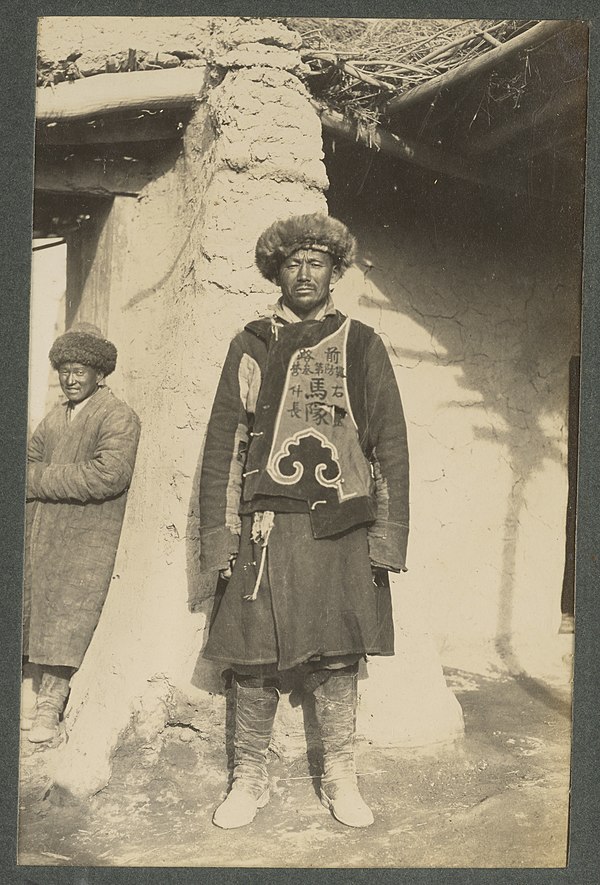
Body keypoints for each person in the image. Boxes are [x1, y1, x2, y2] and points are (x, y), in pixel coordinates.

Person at [199, 213, 409, 829]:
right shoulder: (252, 342)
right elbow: (225, 442)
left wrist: (386, 535)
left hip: (339, 525)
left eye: (317, 261)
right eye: (293, 262)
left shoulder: (363, 342)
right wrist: (223, 533)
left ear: (335, 271)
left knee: (340, 653)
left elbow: (388, 444)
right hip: (265, 524)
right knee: (252, 653)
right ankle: (249, 776)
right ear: (276, 272)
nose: (305, 273)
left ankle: (341, 774)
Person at [23, 323, 141, 743]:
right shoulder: (56, 416)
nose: (71, 379)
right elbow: (28, 460)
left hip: (87, 534)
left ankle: (50, 707)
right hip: (45, 530)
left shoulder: (117, 416)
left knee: (69, 613)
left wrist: (36, 481)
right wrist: (34, 476)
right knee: (34, 606)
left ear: (100, 374)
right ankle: (30, 692)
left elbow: (107, 476)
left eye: (81, 371)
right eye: (65, 370)